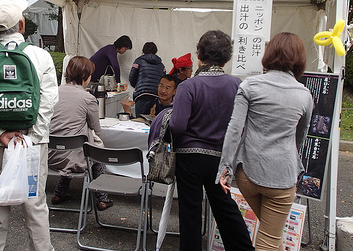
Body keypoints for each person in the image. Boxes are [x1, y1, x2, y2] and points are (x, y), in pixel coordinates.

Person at [0, 0, 58, 251]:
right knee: (35, 204)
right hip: (32, 142)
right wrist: (31, 137)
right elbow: (48, 102)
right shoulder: (40, 56)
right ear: (22, 23)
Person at [217, 32, 314, 251]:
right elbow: (302, 135)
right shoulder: (305, 94)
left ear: (269, 54)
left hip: (248, 174)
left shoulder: (250, 85)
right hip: (282, 177)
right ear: (300, 59)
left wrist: (225, 167)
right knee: (269, 239)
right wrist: (288, 155)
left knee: (273, 235)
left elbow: (234, 129)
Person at [169, 30, 254, 251]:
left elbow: (177, 125)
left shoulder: (189, 86)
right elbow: (242, 126)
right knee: (225, 207)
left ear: (199, 55)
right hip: (221, 156)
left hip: (189, 158)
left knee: (190, 212)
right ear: (227, 57)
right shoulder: (237, 85)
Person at [48, 56, 113, 211]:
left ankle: (60, 192)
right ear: (85, 77)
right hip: (72, 157)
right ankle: (102, 198)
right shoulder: (87, 98)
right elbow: (96, 129)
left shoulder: (52, 93)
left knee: (73, 144)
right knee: (96, 150)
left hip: (49, 155)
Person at [129, 42, 166, 117]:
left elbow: (132, 77)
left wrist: (137, 86)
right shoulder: (161, 65)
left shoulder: (138, 61)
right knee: (153, 119)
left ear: (143, 51)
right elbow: (163, 81)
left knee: (140, 119)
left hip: (141, 94)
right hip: (155, 94)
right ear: (155, 51)